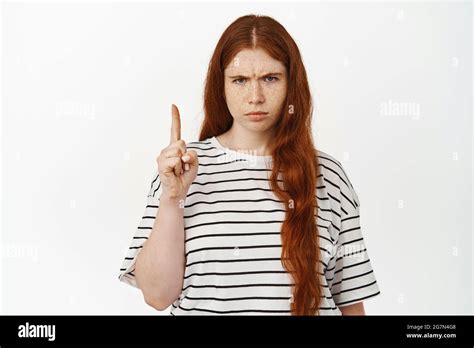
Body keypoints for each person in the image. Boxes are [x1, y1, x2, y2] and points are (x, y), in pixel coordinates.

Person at [118, 14, 380, 315]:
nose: (255, 97)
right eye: (240, 80)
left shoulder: (329, 176)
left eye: (270, 78)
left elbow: (351, 303)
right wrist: (171, 199)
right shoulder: (182, 167)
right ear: (222, 86)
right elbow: (157, 296)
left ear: (291, 83)